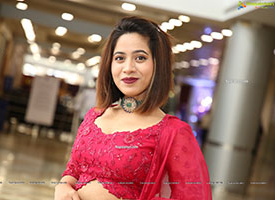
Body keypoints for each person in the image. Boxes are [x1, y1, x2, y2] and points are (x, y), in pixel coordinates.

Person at [54, 16, 212, 200]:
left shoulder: (174, 132)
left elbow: (194, 195)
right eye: (119, 58)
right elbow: (73, 169)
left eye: (140, 58)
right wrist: (63, 186)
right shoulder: (95, 116)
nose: (128, 68)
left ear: (158, 65)